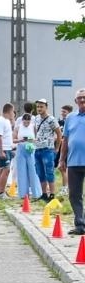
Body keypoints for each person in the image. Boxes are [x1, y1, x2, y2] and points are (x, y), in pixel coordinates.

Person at [59, 89, 85, 235]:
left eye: (84, 98)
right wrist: (62, 159)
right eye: (79, 98)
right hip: (74, 162)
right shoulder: (70, 117)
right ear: (75, 101)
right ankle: (80, 225)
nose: (82, 100)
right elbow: (65, 139)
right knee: (74, 194)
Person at [34, 99, 60, 202]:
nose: (39, 109)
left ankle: (52, 194)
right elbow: (36, 132)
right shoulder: (36, 118)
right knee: (40, 172)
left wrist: (57, 148)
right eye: (38, 107)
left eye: (41, 107)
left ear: (46, 107)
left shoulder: (51, 119)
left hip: (48, 149)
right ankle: (44, 194)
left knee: (49, 171)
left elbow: (59, 134)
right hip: (38, 149)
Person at [14, 108, 39, 201]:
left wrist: (32, 140)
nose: (26, 123)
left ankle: (36, 192)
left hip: (31, 149)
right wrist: (20, 140)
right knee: (22, 171)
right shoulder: (17, 127)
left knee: (33, 171)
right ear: (22, 120)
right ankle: (23, 193)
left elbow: (37, 138)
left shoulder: (33, 126)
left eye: (28, 122)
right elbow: (13, 139)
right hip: (21, 149)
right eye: (25, 121)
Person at [0, 103, 15, 196]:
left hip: (7, 148)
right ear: (9, 111)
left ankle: (0, 191)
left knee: (2, 170)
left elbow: (6, 136)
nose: (13, 113)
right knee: (6, 170)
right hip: (2, 149)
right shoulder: (1, 121)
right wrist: (1, 151)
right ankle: (1, 193)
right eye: (13, 111)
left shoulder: (6, 121)